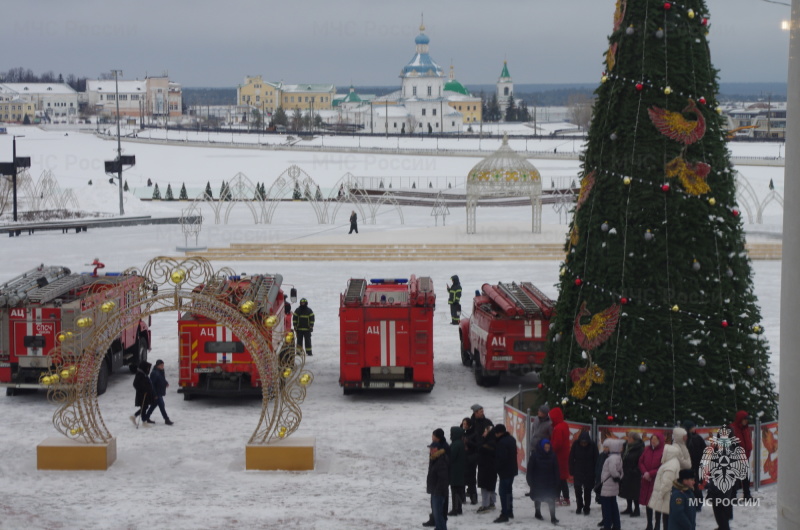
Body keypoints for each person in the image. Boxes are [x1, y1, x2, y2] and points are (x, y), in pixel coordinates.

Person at [649, 442, 683, 529]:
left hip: (665, 496)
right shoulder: (671, 462)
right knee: (666, 518)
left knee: (666, 519)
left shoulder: (670, 466)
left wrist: (660, 495)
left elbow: (667, 483)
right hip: (666, 496)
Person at [527, 439, 560, 524]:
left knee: (551, 499)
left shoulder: (553, 456)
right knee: (537, 498)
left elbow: (556, 469)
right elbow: (530, 470)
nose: (547, 449)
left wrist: (557, 481)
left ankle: (553, 517)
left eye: (548, 447)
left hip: (550, 481)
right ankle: (537, 513)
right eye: (545, 447)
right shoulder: (534, 456)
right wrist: (530, 481)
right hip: (537, 481)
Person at [466, 404, 493, 505]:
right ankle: (473, 497)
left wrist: (488, 432)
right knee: (470, 475)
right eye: (480, 411)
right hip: (472, 451)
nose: (482, 413)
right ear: (475, 412)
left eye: (482, 411)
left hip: (484, 453)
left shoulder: (487, 422)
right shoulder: (470, 423)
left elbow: (492, 430)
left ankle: (488, 499)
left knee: (484, 475)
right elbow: (464, 431)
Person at [640, 432, 666, 530]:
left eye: (655, 439)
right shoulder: (646, 449)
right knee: (648, 502)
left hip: (657, 480)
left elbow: (663, 465)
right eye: (652, 439)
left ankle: (657, 525)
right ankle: (649, 524)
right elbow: (641, 461)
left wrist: (650, 474)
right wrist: (645, 472)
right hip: (647, 481)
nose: (653, 441)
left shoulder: (664, 451)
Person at [493, 424, 518, 523]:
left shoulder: (501, 443)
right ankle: (509, 511)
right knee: (508, 492)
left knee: (503, 493)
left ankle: (504, 514)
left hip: (505, 471)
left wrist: (496, 468)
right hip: (512, 470)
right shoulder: (511, 439)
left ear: (499, 433)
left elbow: (502, 459)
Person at [569, 430, 597, 516]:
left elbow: (596, 459)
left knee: (587, 490)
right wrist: (571, 470)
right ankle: (579, 505)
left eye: (585, 443)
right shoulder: (575, 445)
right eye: (582, 442)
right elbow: (571, 458)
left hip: (589, 471)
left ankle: (587, 507)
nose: (583, 444)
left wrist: (595, 472)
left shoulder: (593, 446)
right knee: (577, 489)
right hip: (578, 470)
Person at [599, 438, 625, 530]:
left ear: (612, 448)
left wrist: (616, 476)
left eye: (606, 447)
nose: (604, 448)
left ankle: (607, 526)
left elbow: (613, 470)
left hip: (607, 487)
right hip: (613, 486)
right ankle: (616, 526)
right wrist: (619, 477)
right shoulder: (618, 457)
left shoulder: (611, 459)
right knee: (613, 506)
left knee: (607, 508)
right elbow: (621, 472)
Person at [427, 436, 450, 530]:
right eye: (430, 449)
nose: (431, 450)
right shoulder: (435, 459)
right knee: (437, 516)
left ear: (438, 449)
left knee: (439, 515)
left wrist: (437, 491)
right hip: (435, 491)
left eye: (433, 449)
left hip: (439, 493)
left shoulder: (440, 461)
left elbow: (443, 479)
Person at [549, 407, 571, 506]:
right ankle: (565, 497)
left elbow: (557, 444)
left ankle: (558, 497)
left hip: (559, 456)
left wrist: (550, 450)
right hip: (564, 455)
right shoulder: (564, 425)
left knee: (558, 478)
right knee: (562, 478)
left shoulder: (558, 428)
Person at [683, 421, 707, 508]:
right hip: (687, 466)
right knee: (688, 485)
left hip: (696, 465)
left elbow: (704, 450)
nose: (694, 429)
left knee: (695, 485)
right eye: (692, 427)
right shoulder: (684, 439)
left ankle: (698, 503)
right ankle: (690, 502)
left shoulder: (698, 438)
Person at [620, 431, 644, 517]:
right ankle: (629, 507)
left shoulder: (639, 448)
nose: (628, 439)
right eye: (628, 437)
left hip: (634, 473)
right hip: (626, 471)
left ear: (634, 440)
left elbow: (641, 461)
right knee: (627, 490)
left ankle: (636, 509)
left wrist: (634, 470)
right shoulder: (626, 446)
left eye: (630, 438)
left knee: (635, 492)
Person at [730, 411, 753, 499]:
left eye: (747, 419)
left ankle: (747, 494)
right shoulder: (732, 428)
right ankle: (733, 496)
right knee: (734, 478)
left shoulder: (746, 428)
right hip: (735, 457)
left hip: (745, 456)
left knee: (746, 477)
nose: (746, 421)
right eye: (745, 419)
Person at [476, 424, 498, 514]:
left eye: (485, 431)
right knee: (490, 486)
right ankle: (492, 503)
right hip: (490, 467)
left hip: (486, 467)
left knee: (485, 486)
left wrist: (482, 439)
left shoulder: (489, 443)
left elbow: (480, 448)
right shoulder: (493, 441)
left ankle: (485, 505)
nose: (484, 432)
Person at [448, 425, 466, 516]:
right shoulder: (460, 443)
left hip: (455, 471)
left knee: (454, 490)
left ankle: (455, 509)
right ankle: (458, 508)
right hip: (460, 471)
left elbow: (451, 457)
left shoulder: (456, 444)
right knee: (459, 490)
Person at [149, 359, 173, 426]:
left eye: (163, 365)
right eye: (161, 365)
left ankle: (146, 417)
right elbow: (152, 384)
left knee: (154, 405)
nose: (163, 366)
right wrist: (155, 394)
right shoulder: (154, 373)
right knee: (162, 406)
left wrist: (166, 383)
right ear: (157, 366)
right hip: (157, 392)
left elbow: (162, 379)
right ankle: (166, 419)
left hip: (159, 391)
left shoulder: (160, 371)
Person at [131, 361, 155, 427]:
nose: (148, 369)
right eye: (147, 368)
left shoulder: (143, 374)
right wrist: (143, 390)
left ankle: (135, 416)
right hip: (142, 395)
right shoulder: (140, 375)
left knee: (144, 407)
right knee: (144, 407)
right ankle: (143, 421)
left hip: (145, 394)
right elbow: (136, 384)